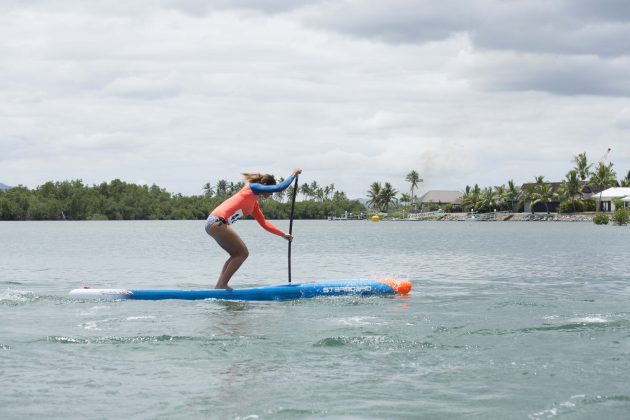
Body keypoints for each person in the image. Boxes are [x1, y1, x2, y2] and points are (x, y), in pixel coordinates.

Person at [205, 168, 302, 289]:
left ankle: (219, 286)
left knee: (235, 254)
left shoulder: (254, 204)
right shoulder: (252, 187)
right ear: (265, 185)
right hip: (217, 222)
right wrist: (293, 174)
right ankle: (222, 285)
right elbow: (280, 188)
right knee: (242, 253)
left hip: (213, 225)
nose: (271, 194)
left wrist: (282, 234)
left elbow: (264, 223)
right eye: (270, 191)